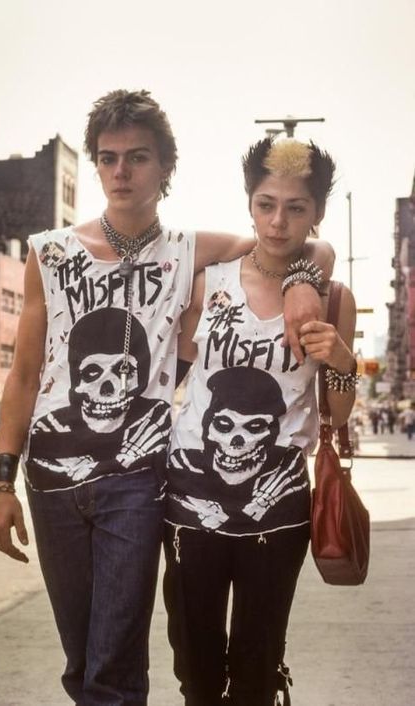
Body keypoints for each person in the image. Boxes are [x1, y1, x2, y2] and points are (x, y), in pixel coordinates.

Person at [0, 91, 334, 706]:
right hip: (51, 481)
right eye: (108, 158)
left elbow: (293, 243)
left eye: (137, 158)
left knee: (114, 663)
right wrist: (4, 482)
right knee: (79, 658)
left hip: (137, 481)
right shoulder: (51, 252)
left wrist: (307, 280)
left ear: (165, 168)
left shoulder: (190, 252)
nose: (120, 172)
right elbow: (25, 372)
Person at [164, 137, 357, 705]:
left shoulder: (333, 297)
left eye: (296, 207)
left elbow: (336, 412)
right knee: (196, 670)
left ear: (317, 213)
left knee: (257, 669)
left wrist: (343, 361)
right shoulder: (208, 282)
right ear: (249, 203)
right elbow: (168, 375)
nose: (278, 222)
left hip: (279, 514)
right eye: (266, 203)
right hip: (190, 506)